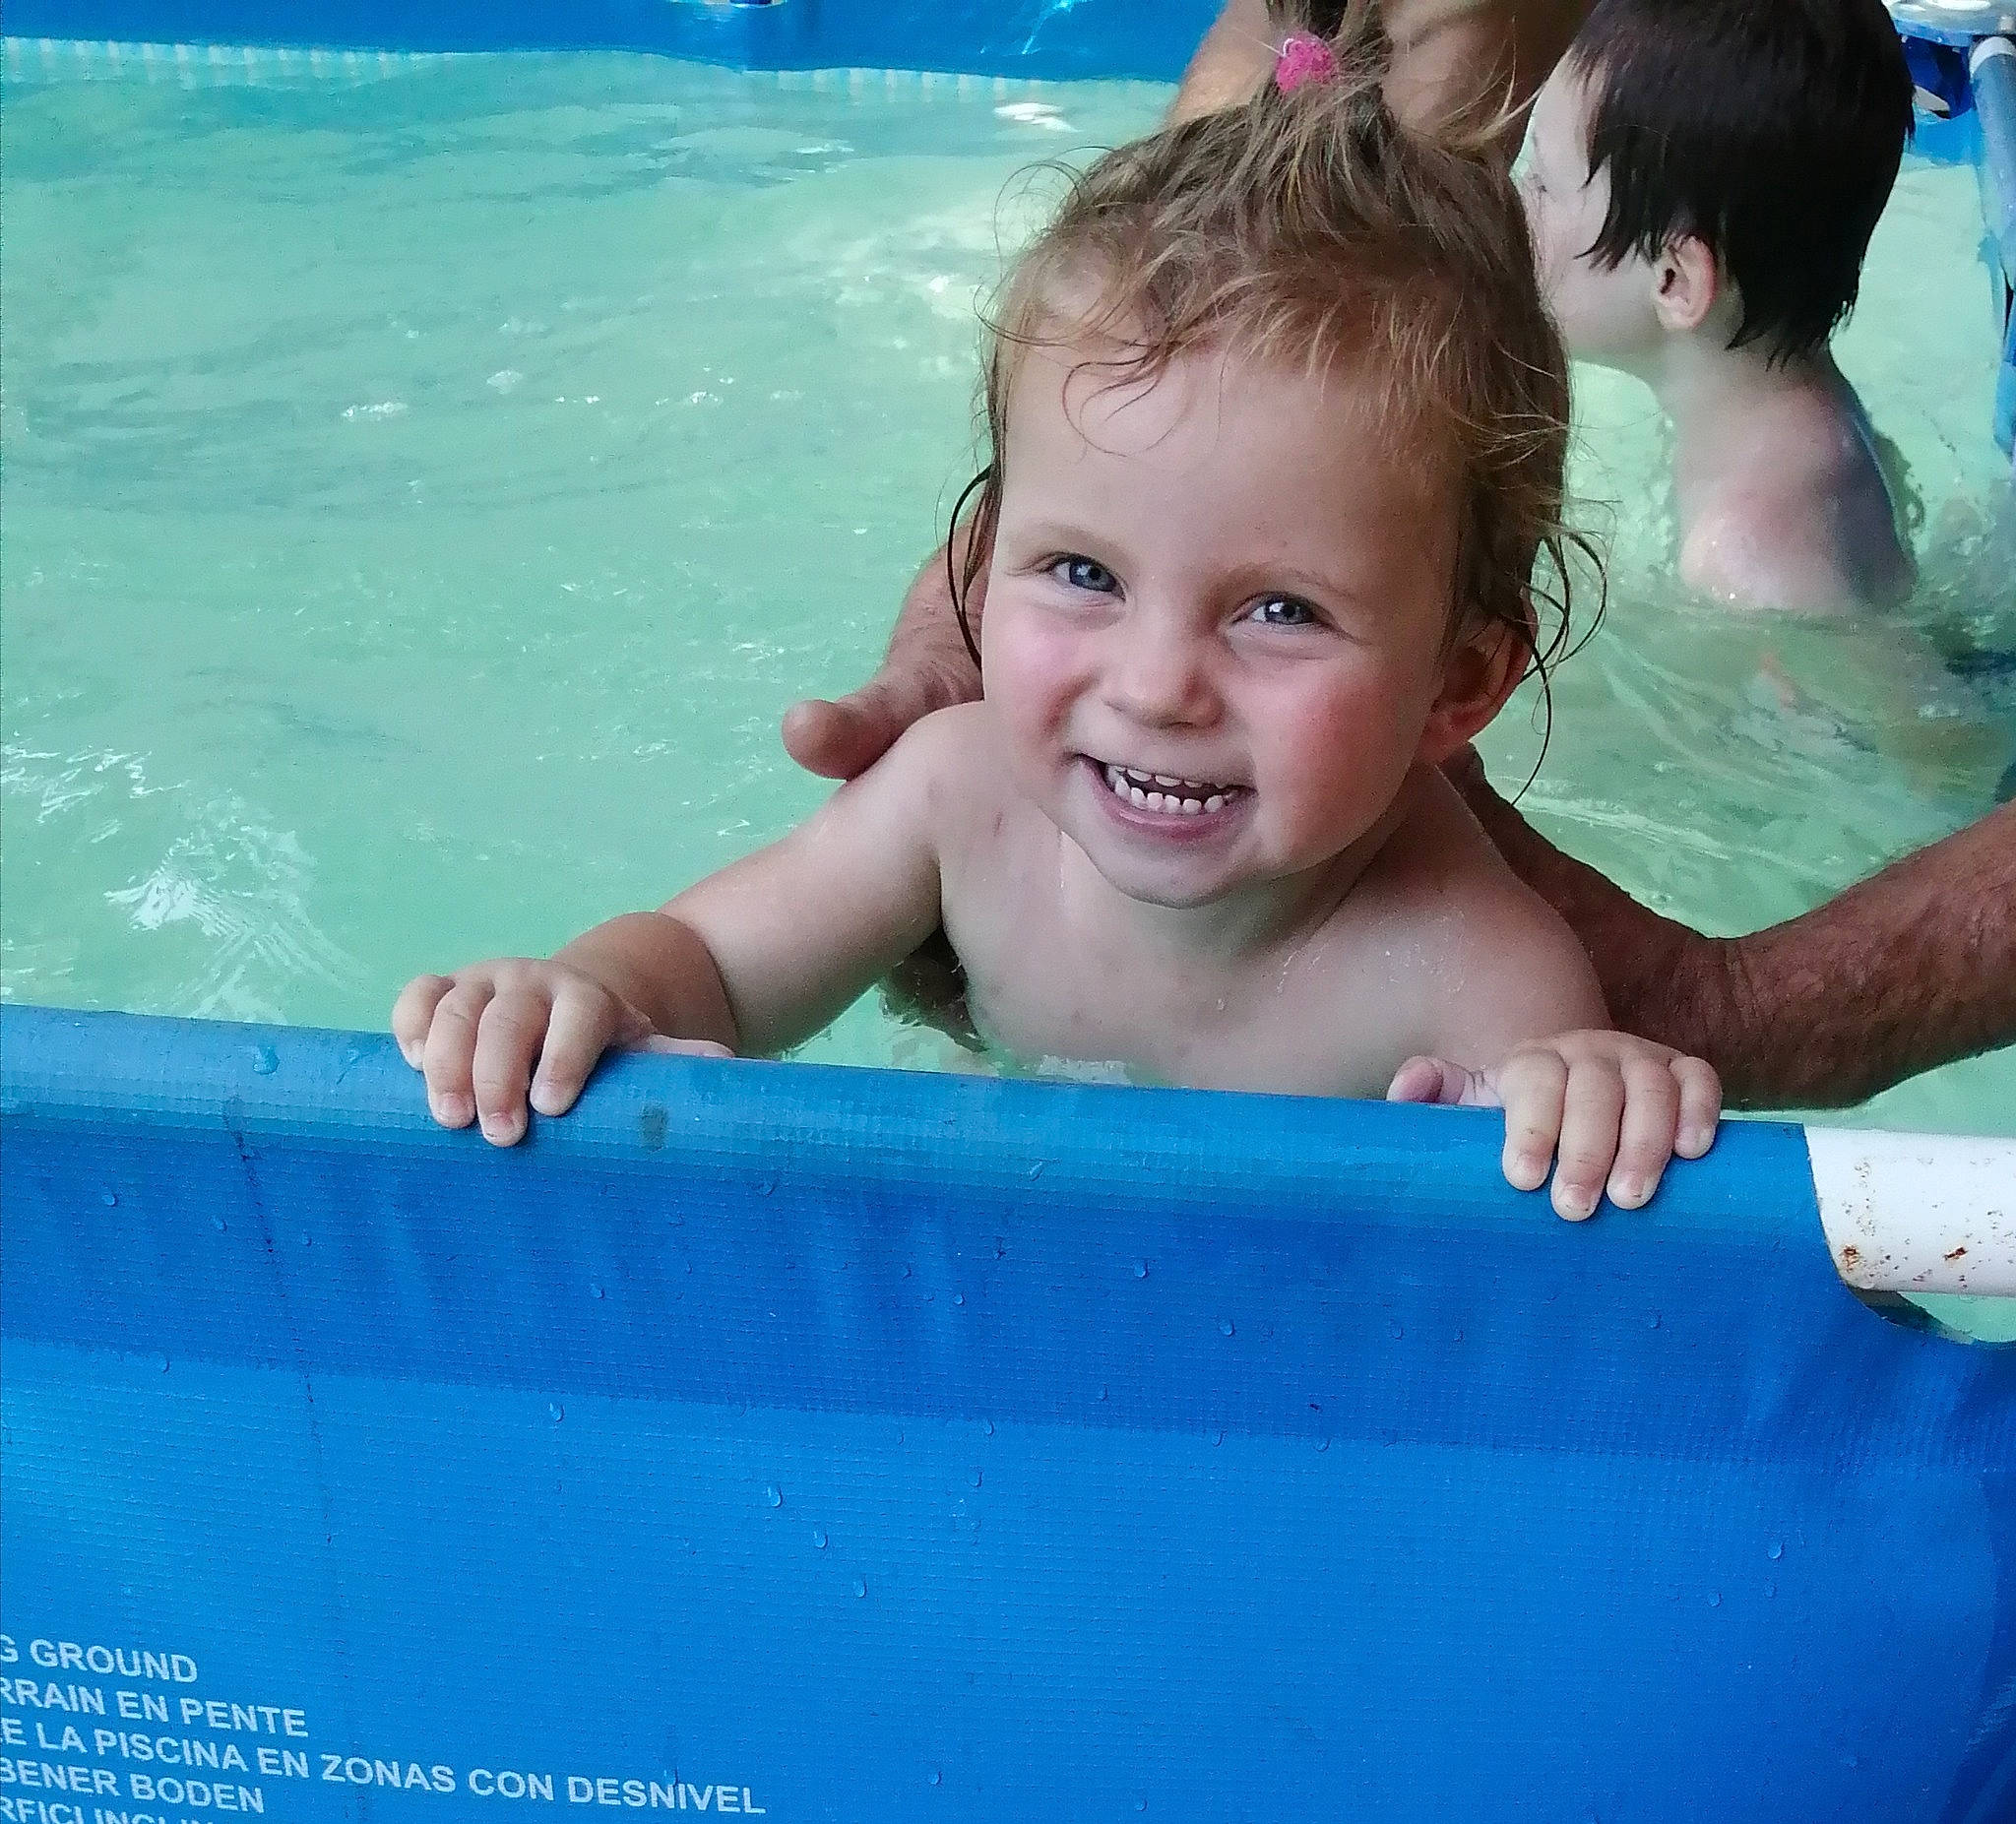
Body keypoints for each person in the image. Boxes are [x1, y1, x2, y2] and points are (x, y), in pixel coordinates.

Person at [395, 11, 1721, 1221]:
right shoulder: (957, 806)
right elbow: (706, 968)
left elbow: (1550, 1257)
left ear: (1462, 686)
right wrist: (586, 995)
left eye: (1278, 610)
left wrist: (1594, 1098)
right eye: (1083, 573)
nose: (1154, 686)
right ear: (982, 570)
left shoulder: (1473, 968)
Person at [1520, 0, 1917, 613]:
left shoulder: (1745, 559)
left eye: (1543, 183)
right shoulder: (1800, 407)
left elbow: (1910, 710)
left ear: (1675, 281)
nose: (1514, 201)